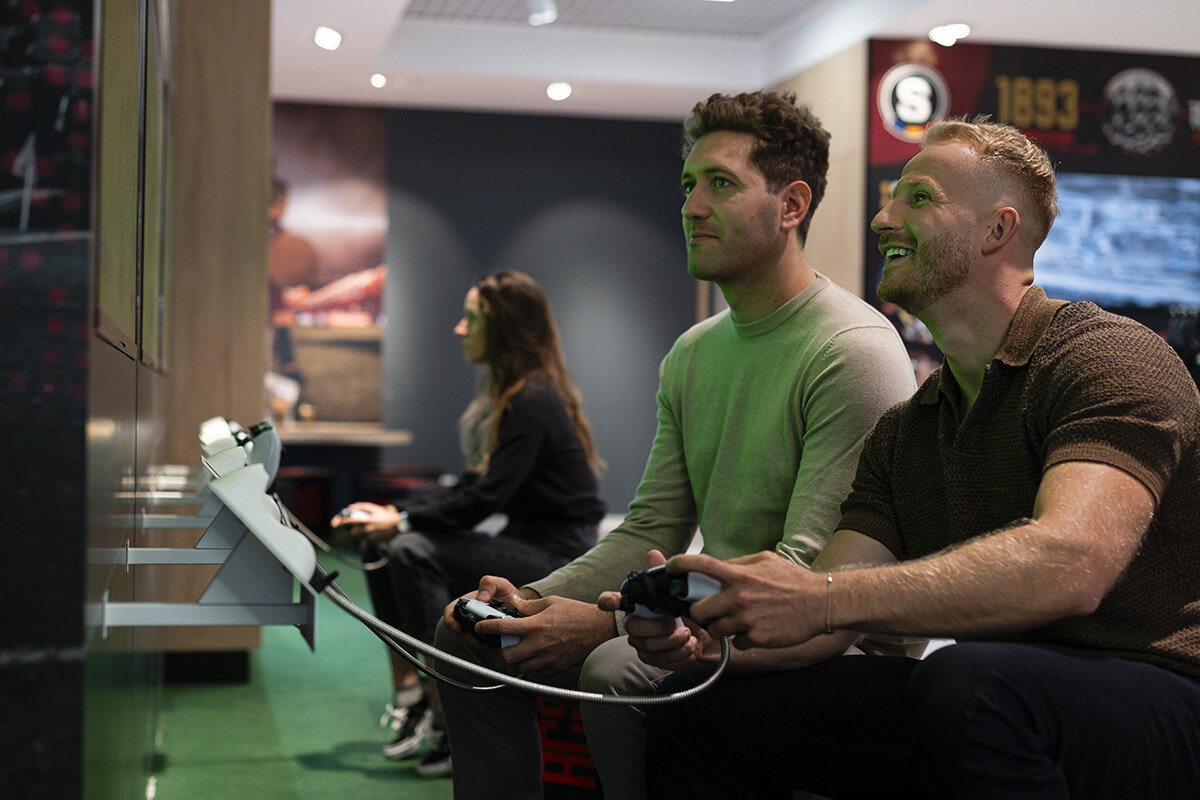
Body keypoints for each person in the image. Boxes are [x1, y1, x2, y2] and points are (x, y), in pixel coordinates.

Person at [633, 117, 1200, 799]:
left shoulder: (1107, 357)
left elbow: (1071, 564)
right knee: (699, 708)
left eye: (919, 198)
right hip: (1008, 694)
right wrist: (712, 636)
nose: (882, 220)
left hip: (1168, 694)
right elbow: (826, 617)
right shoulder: (908, 431)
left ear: (997, 231)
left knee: (967, 683)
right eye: (890, 199)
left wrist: (823, 597)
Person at [433, 91, 918, 800]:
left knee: (615, 668)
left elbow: (811, 579)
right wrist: (533, 600)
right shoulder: (693, 353)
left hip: (830, 646)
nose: (691, 206)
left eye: (721, 183)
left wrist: (609, 621)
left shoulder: (853, 350)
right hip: (704, 619)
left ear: (791, 205)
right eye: (689, 184)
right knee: (469, 637)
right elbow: (650, 529)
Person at [332, 270, 605, 777]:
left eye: (472, 318)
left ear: (502, 327)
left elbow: (483, 498)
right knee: (383, 544)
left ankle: (445, 717)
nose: (460, 329)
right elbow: (471, 487)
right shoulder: (512, 394)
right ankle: (412, 694)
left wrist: (403, 519)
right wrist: (391, 516)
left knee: (410, 547)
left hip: (557, 554)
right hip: (523, 540)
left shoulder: (532, 399)